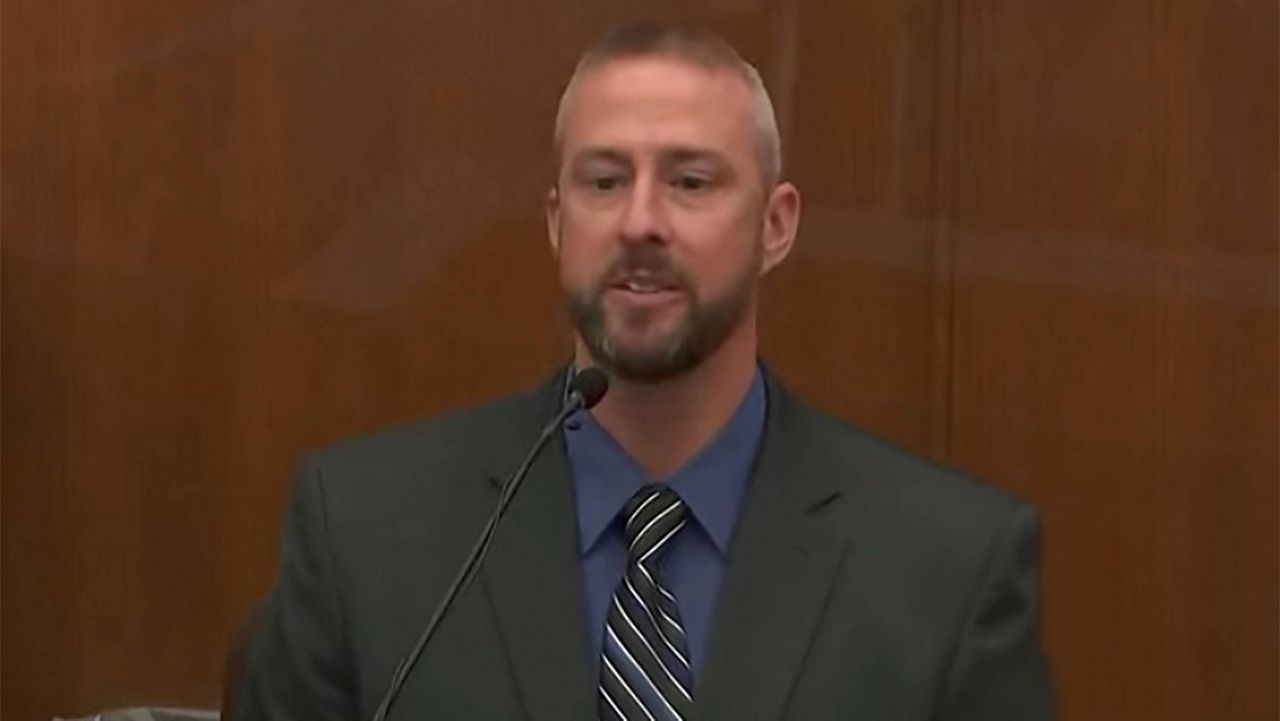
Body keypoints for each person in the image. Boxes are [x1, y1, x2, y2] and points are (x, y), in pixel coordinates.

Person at [239, 23, 1053, 721]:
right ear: (557, 222)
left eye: (690, 181)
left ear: (775, 226)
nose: (639, 221)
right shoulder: (366, 532)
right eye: (604, 181)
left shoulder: (944, 568)